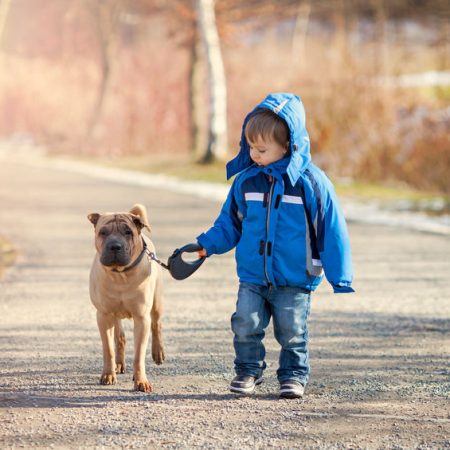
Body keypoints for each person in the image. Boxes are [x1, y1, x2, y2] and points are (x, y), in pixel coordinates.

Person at [194, 93, 354, 399]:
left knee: (292, 332)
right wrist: (205, 245)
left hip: (294, 278)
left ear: (288, 145)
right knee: (244, 323)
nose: (253, 154)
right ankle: (247, 371)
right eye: (250, 146)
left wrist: (340, 274)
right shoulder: (246, 182)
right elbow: (229, 223)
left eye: (262, 149)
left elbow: (331, 229)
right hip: (253, 275)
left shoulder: (311, 184)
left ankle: (293, 375)